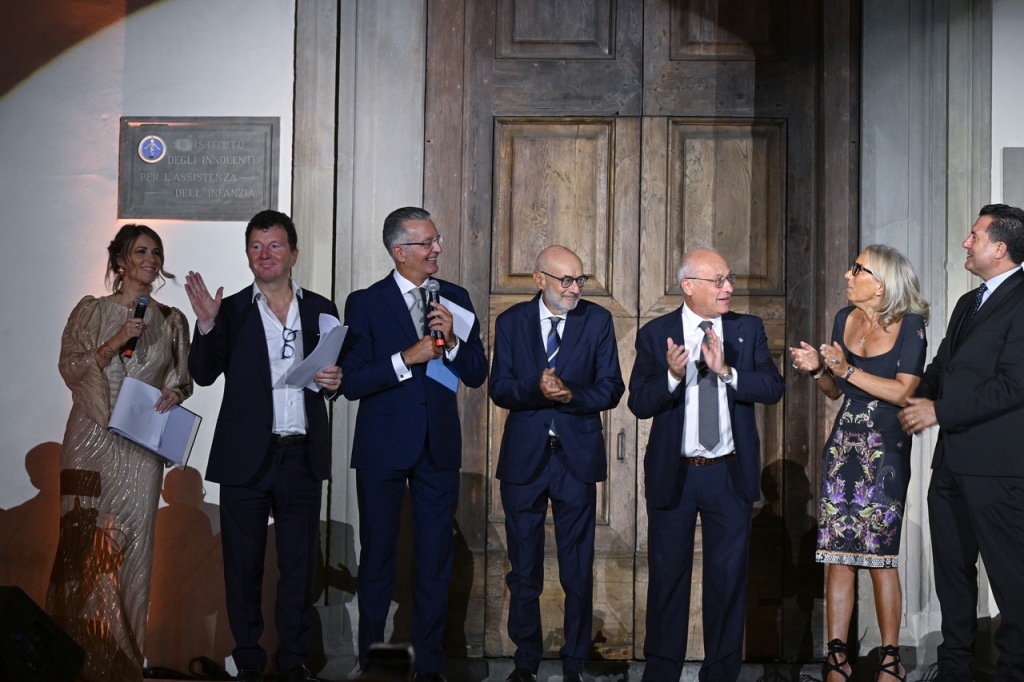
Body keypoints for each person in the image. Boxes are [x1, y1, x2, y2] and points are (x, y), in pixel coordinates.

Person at [185, 210, 342, 682]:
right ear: (248, 255)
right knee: (243, 566)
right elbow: (203, 374)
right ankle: (249, 662)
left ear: (293, 254)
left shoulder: (320, 308)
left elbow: (335, 374)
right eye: (256, 246)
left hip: (301, 454)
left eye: (274, 245)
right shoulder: (230, 310)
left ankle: (294, 661)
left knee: (299, 567)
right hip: (245, 459)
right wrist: (207, 326)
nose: (264, 254)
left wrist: (335, 380)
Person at [341, 207, 488, 682]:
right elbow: (353, 381)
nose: (437, 249)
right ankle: (373, 661)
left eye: (437, 240)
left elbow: (477, 372)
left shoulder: (455, 298)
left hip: (437, 447)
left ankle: (429, 665)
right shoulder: (366, 302)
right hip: (383, 446)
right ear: (399, 251)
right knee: (378, 557)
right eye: (427, 243)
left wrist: (453, 342)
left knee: (434, 559)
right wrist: (408, 357)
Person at [628, 246, 784, 682]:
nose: (728, 288)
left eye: (728, 278)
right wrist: (672, 377)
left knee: (727, 582)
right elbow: (639, 402)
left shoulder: (747, 330)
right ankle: (662, 673)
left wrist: (728, 372)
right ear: (688, 286)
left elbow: (772, 388)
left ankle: (719, 675)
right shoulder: (656, 333)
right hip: (675, 474)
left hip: (728, 473)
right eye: (718, 281)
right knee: (667, 580)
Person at [47, 224, 193, 682]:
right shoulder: (91, 311)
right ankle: (73, 661)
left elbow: (181, 378)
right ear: (120, 262)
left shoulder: (172, 320)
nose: (151, 260)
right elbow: (71, 367)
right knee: (82, 546)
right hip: (90, 436)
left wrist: (173, 392)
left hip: (139, 443)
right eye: (141, 252)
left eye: (156, 252)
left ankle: (123, 663)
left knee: (132, 549)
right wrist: (114, 341)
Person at [789, 245, 928, 681]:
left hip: (885, 450)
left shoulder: (910, 325)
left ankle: (890, 659)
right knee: (838, 554)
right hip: (843, 447)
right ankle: (837, 660)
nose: (848, 275)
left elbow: (904, 392)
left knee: (879, 556)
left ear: (881, 283)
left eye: (858, 269)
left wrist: (846, 370)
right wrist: (819, 370)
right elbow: (835, 392)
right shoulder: (843, 319)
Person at [899, 204, 1024, 681]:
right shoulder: (969, 302)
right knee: (951, 574)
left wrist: (940, 412)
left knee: (1011, 581)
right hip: (951, 465)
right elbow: (942, 368)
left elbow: (1014, 384)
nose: (966, 243)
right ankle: (954, 670)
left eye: (975, 236)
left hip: (999, 469)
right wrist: (908, 395)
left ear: (1001, 247)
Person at [489, 245, 625, 682]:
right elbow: (499, 388)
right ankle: (525, 662)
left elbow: (611, 388)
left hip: (575, 460)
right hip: (524, 460)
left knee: (576, 568)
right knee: (524, 569)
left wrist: (570, 394)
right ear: (539, 279)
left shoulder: (597, 320)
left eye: (579, 280)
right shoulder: (511, 321)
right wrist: (537, 388)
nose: (574, 289)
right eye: (566, 280)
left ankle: (574, 663)